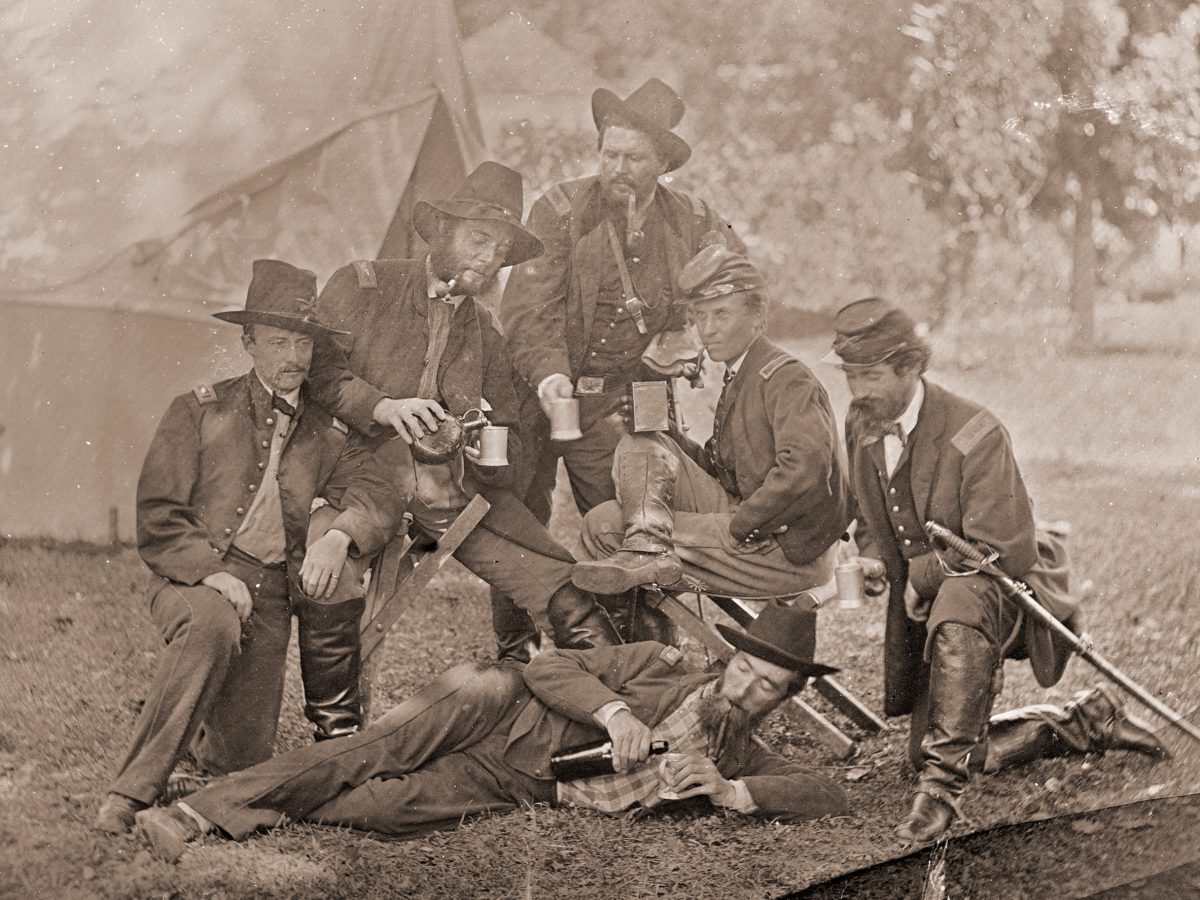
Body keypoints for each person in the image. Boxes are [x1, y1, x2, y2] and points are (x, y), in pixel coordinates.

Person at [133, 598, 850, 862]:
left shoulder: (739, 748)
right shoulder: (661, 665)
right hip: (496, 703)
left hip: (516, 781)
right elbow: (549, 665)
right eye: (748, 671)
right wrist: (618, 712)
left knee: (385, 809)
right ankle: (194, 813)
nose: (752, 690)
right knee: (370, 750)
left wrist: (730, 793)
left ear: (781, 698)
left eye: (770, 688)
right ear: (730, 658)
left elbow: (830, 795)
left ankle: (255, 803)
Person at [830, 298, 1167, 844]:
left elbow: (998, 552)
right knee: (936, 749)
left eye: (869, 375)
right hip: (934, 601)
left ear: (911, 367)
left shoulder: (976, 433)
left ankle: (940, 795)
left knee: (963, 603)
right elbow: (867, 508)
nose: (856, 389)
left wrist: (917, 577)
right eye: (850, 375)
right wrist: (872, 554)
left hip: (1007, 591)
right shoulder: (865, 420)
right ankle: (1086, 720)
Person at [95, 260, 403, 835]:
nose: (293, 357)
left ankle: (199, 749)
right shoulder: (199, 409)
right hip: (194, 579)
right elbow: (160, 514)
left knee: (238, 760)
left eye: (303, 344)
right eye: (279, 341)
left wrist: (339, 534)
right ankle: (129, 794)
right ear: (248, 342)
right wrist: (211, 573)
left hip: (269, 591)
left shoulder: (329, 428)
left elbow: (377, 492)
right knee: (211, 624)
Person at [304, 161, 621, 654]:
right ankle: (340, 731)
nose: (489, 259)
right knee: (331, 585)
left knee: (563, 587)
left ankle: (609, 700)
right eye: (479, 240)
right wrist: (384, 407)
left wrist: (485, 450)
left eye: (499, 250)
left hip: (451, 494)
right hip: (351, 478)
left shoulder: (487, 332)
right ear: (443, 232)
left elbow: (509, 432)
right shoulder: (364, 286)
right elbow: (320, 376)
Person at [493, 78, 745, 649]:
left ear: (661, 164)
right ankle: (517, 653)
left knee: (627, 518)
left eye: (633, 157)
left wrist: (686, 333)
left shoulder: (693, 219)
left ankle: (644, 654)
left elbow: (734, 285)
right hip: (538, 390)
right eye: (610, 152)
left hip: (629, 395)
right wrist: (549, 374)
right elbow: (530, 310)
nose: (618, 167)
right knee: (519, 517)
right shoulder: (559, 209)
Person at [571, 245, 850, 603]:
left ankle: (622, 642)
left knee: (605, 524)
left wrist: (742, 525)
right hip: (761, 525)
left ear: (758, 316)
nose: (708, 329)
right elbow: (723, 472)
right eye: (701, 317)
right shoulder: (743, 373)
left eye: (721, 314)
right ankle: (646, 547)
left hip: (787, 549)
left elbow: (804, 466)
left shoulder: (785, 377)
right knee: (640, 443)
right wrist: (667, 433)